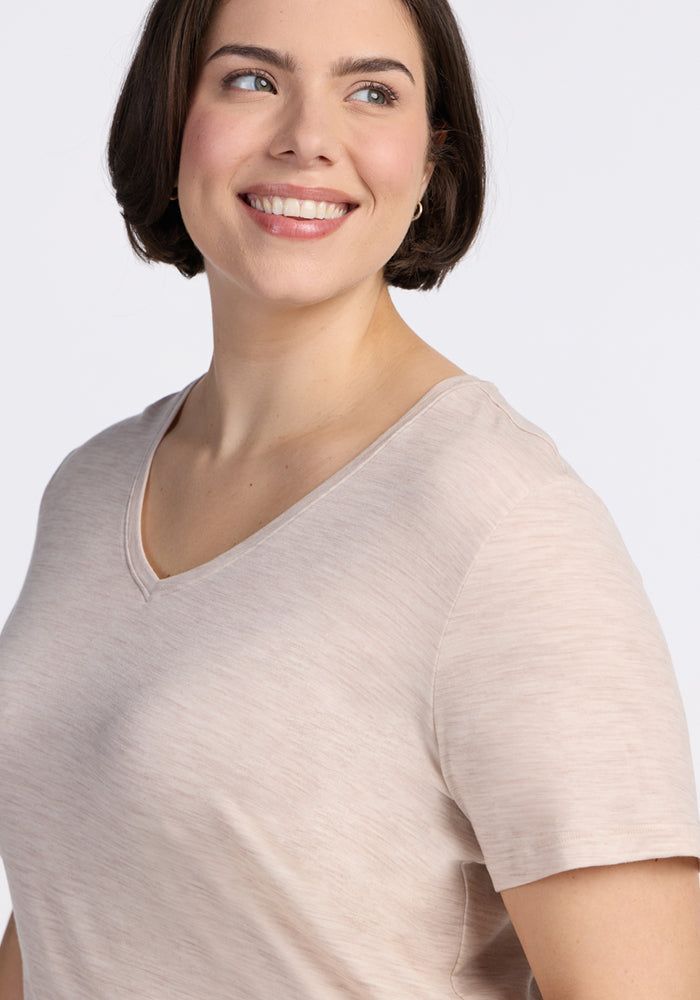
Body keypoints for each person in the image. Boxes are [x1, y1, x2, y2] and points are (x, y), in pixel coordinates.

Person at [0, 0, 699, 995]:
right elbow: (80, 887)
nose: (306, 139)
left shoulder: (496, 517)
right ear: (169, 119)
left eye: (371, 92)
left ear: (428, 159)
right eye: (251, 80)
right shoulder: (93, 486)